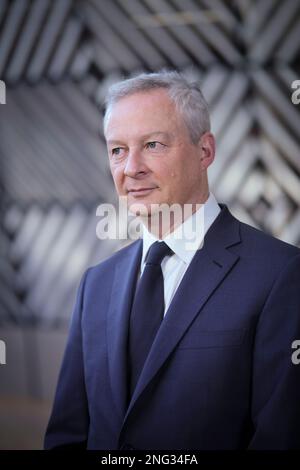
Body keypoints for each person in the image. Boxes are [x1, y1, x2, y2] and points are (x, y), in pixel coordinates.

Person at [44, 71, 300, 450]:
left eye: (152, 144)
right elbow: (67, 435)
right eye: (117, 150)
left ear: (205, 151)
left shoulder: (280, 275)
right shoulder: (96, 284)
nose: (131, 168)